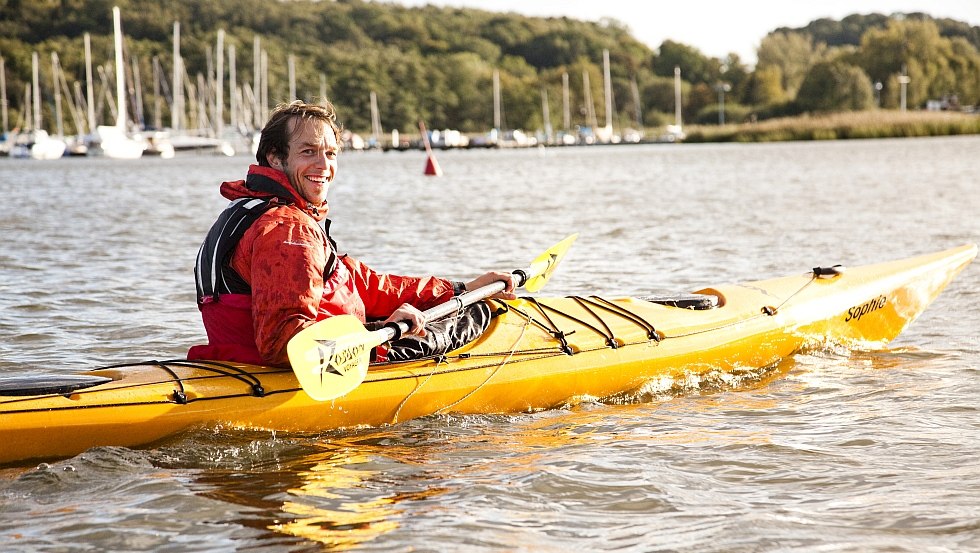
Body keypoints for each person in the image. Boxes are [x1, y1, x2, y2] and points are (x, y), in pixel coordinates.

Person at [188, 100, 515, 367]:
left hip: (246, 358)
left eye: (330, 153)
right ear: (275, 157)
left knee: (460, 302)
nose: (323, 165)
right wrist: (378, 331)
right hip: (322, 364)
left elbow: (364, 284)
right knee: (475, 313)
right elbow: (285, 344)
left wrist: (461, 288)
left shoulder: (254, 212)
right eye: (308, 152)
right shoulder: (288, 229)